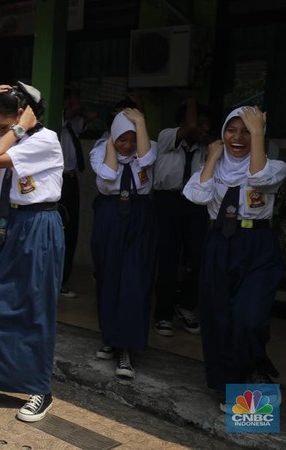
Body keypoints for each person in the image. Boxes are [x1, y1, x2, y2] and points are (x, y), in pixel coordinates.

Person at [0, 82, 65, 422]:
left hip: (38, 225)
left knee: (35, 306)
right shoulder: (13, 138)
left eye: (5, 126)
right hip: (7, 224)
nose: (0, 133)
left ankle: (39, 388)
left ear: (25, 115)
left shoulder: (43, 141)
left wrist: (19, 128)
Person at [182, 106, 286, 411]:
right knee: (219, 320)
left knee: (248, 317)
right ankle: (239, 394)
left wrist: (258, 134)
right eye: (232, 129)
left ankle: (255, 368)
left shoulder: (275, 166)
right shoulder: (212, 166)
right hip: (219, 244)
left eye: (246, 131)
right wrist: (213, 157)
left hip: (257, 245)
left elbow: (260, 177)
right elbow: (196, 196)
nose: (237, 137)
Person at [89, 108, 157, 380]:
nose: (128, 145)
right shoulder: (99, 151)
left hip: (140, 217)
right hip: (110, 215)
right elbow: (107, 176)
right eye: (122, 139)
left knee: (134, 279)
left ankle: (126, 348)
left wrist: (140, 121)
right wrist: (109, 143)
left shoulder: (148, 150)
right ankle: (109, 336)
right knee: (108, 277)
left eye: (133, 138)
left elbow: (148, 157)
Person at [151, 98, 211, 337]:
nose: (204, 128)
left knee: (197, 258)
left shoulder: (207, 148)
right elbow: (191, 126)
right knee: (167, 259)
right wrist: (191, 102)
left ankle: (185, 305)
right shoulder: (167, 137)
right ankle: (163, 314)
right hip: (168, 202)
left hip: (196, 205)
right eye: (201, 123)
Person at [58, 86, 96, 298]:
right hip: (59, 181)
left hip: (72, 179)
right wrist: (72, 107)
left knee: (72, 229)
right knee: (61, 229)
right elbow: (72, 113)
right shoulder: (59, 120)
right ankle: (57, 280)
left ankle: (64, 278)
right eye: (71, 101)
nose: (76, 105)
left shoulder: (73, 124)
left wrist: (78, 108)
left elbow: (92, 115)